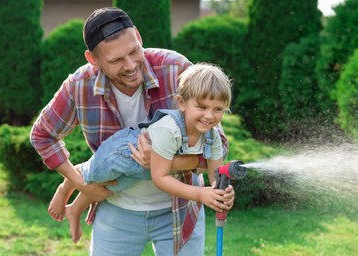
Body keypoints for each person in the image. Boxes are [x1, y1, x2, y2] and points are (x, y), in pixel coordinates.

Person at [30, 7, 234, 256]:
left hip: (180, 211)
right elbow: (42, 135)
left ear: (138, 35)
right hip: (117, 212)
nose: (130, 65)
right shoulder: (79, 86)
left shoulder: (176, 70)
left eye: (134, 51)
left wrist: (165, 162)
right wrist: (81, 184)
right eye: (116, 60)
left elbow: (217, 141)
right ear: (93, 59)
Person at [54, 63, 232, 243]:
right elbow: (160, 178)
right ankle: (65, 188)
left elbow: (216, 174)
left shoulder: (212, 136)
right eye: (202, 107)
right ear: (182, 103)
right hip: (124, 153)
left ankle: (74, 209)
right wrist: (200, 194)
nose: (210, 116)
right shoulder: (170, 130)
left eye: (218, 109)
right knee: (92, 174)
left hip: (144, 170)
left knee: (106, 189)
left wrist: (221, 191)